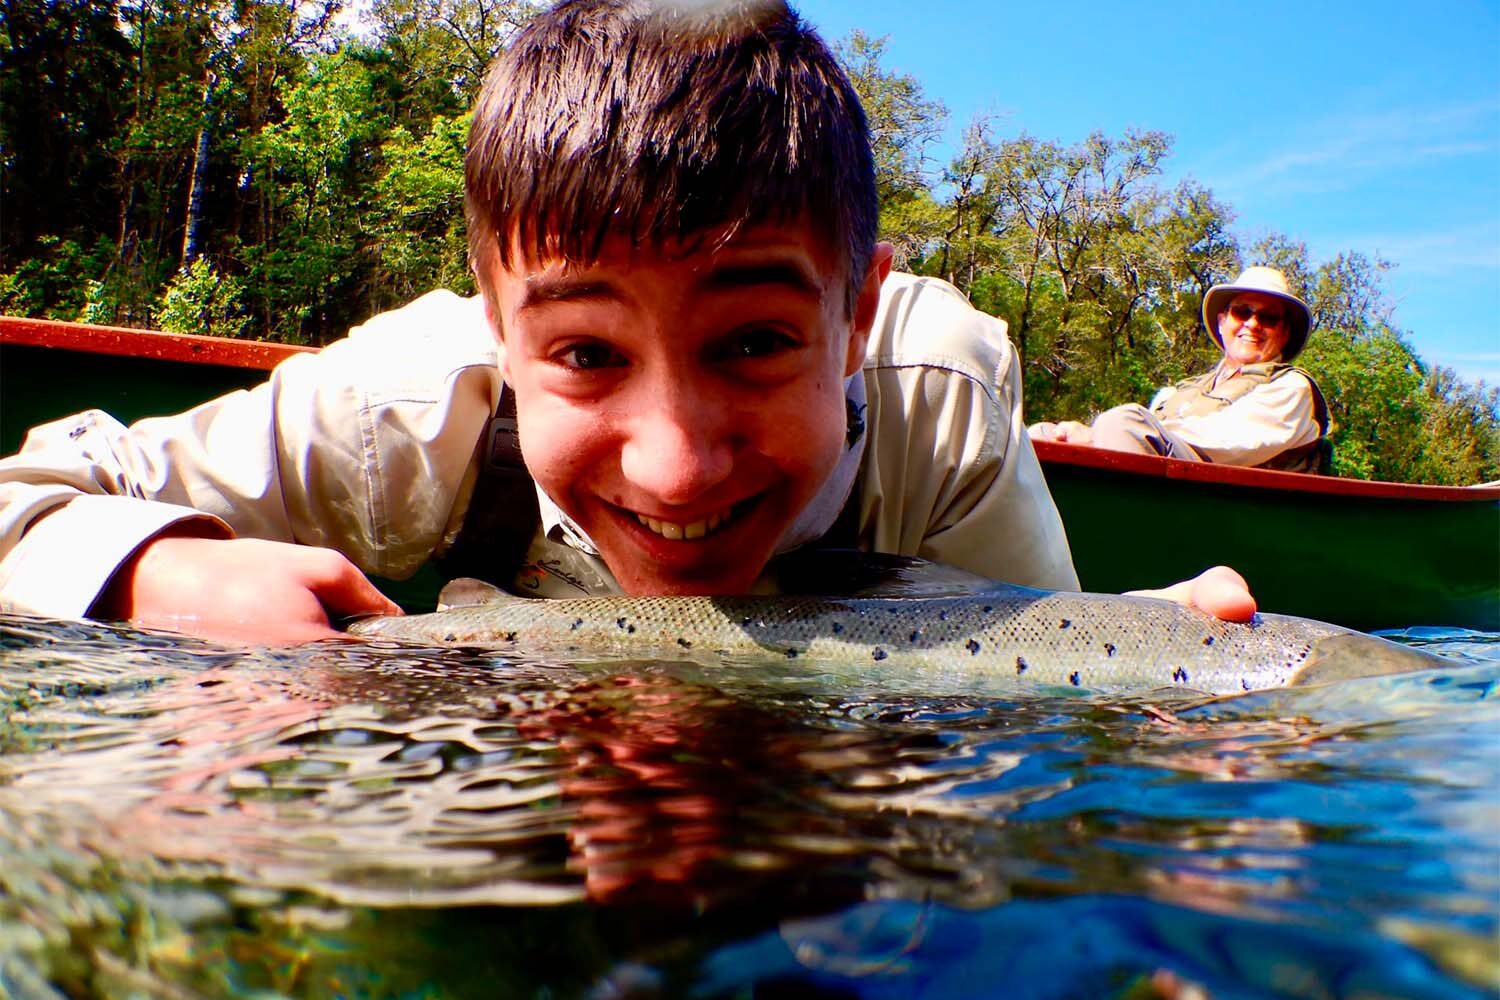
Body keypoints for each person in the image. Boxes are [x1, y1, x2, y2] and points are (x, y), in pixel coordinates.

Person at [0, 0, 1255, 644]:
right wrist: (155, 568)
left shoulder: (944, 402)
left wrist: (1154, 667)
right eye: (588, 355)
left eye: (755, 343)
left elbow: (1004, 736)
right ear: (500, 330)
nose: (676, 464)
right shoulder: (404, 402)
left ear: (858, 313)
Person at [1029, 266, 1329, 471]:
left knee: (1123, 421)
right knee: (1042, 433)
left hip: (1230, 509)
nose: (1252, 324)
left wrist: (1096, 435)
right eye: (1243, 312)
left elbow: (1228, 440)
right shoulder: (1180, 391)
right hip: (1169, 481)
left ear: (1285, 333)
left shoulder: (1291, 388)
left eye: (1269, 318)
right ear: (1223, 321)